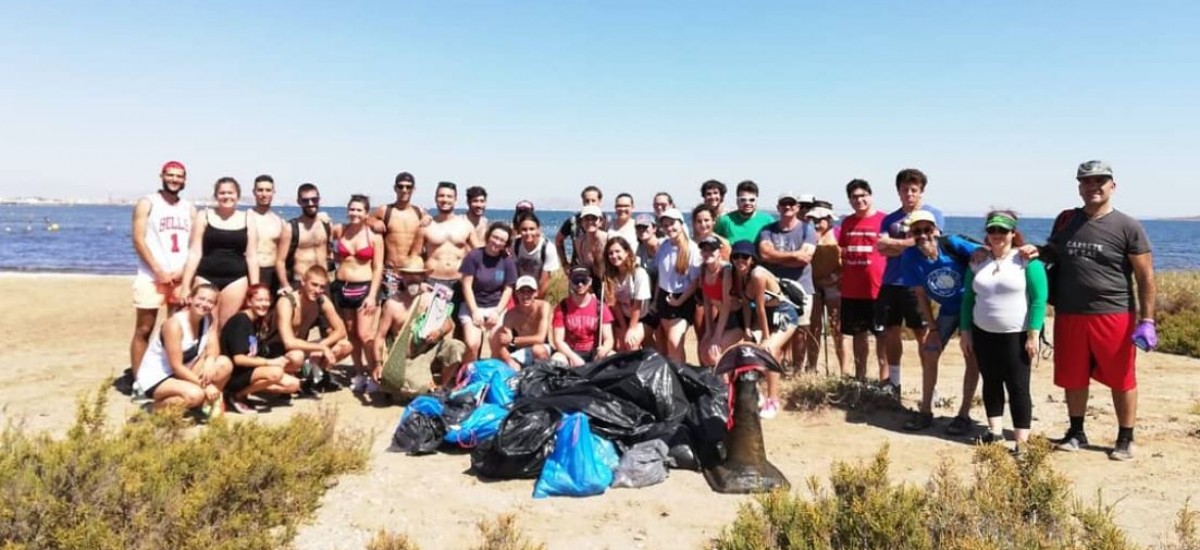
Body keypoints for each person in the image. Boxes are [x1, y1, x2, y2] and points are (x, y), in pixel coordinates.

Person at [1037, 160, 1156, 461]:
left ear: (1112, 186)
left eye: (1100, 181)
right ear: (1079, 187)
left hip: (1114, 313)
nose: (1093, 187)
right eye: (1086, 182)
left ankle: (1125, 438)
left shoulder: (1128, 226)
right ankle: (1076, 431)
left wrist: (1148, 320)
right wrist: (1033, 251)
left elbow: (1145, 276)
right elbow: (1053, 252)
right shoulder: (1066, 220)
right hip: (1070, 313)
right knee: (1073, 376)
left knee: (1122, 377)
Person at [960, 211, 1047, 454]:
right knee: (991, 381)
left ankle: (1021, 442)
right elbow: (968, 298)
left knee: (1018, 386)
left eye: (1003, 231)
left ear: (1013, 233)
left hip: (1016, 335)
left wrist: (1033, 334)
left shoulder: (1027, 260)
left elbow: (1039, 299)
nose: (997, 235)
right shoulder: (977, 261)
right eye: (992, 230)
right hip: (983, 333)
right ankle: (995, 432)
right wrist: (965, 331)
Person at [900, 210, 982, 433]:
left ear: (936, 230)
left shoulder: (952, 245)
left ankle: (963, 414)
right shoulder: (910, 258)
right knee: (929, 351)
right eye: (917, 231)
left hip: (972, 307)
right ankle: (925, 411)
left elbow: (986, 254)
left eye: (927, 229)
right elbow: (920, 295)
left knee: (971, 356)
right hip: (947, 310)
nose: (923, 235)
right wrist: (932, 328)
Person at [875, 168, 944, 394]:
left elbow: (930, 244)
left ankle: (929, 386)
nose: (909, 194)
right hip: (891, 281)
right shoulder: (890, 218)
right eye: (905, 189)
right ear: (899, 191)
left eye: (914, 190)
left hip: (917, 284)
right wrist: (910, 243)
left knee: (922, 333)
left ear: (921, 191)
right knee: (891, 331)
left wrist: (898, 244)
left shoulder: (933, 214)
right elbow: (881, 248)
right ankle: (894, 382)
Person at [129, 160, 195, 377]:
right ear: (162, 176)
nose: (175, 180)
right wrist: (158, 270)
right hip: (151, 277)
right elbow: (139, 240)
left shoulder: (189, 209)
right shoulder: (148, 203)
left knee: (175, 330)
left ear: (184, 179)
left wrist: (183, 272)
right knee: (144, 329)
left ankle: (169, 373)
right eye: (171, 175)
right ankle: (139, 378)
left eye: (179, 176)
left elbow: (195, 245)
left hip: (179, 279)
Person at [727, 240, 801, 419]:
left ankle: (773, 399)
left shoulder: (757, 275)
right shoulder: (737, 276)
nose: (740, 260)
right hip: (765, 316)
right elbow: (746, 304)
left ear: (752, 259)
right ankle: (756, 392)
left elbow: (759, 307)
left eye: (744, 256)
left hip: (783, 313)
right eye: (736, 257)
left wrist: (766, 338)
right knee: (747, 347)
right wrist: (746, 328)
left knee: (770, 350)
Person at [134, 284, 231, 416]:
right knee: (195, 395)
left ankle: (204, 406)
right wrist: (205, 385)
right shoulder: (174, 324)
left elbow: (214, 347)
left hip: (183, 371)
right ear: (190, 299)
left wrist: (210, 359)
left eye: (210, 301)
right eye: (201, 299)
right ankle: (154, 408)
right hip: (159, 377)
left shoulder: (208, 319)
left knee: (224, 363)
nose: (205, 304)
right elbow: (176, 367)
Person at [374, 257, 467, 391]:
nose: (412, 278)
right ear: (402, 277)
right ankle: (419, 382)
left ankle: (442, 387)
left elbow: (449, 323)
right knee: (416, 387)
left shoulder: (431, 299)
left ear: (423, 276)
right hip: (404, 356)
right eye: (408, 275)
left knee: (456, 346)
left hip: (429, 350)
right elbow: (380, 337)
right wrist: (378, 365)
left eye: (416, 275)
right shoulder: (392, 304)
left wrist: (439, 332)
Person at [182, 177, 259, 328]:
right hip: (206, 277)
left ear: (237, 195)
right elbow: (194, 252)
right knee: (207, 324)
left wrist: (255, 288)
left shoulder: (247, 218)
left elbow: (252, 256)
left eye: (230, 193)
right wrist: (185, 285)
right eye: (222, 193)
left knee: (227, 325)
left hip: (236, 280)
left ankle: (222, 352)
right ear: (216, 195)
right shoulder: (203, 216)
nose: (226, 196)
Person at [757, 192, 818, 375]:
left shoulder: (808, 230)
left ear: (798, 207)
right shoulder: (768, 230)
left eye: (792, 204)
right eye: (784, 203)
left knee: (800, 329)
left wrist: (777, 258)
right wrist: (793, 255)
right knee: (778, 328)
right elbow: (765, 254)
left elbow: (805, 258)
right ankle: (777, 367)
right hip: (775, 288)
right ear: (778, 207)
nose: (788, 207)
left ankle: (797, 370)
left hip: (802, 286)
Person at [220, 284, 302, 414]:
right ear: (249, 301)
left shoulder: (257, 321)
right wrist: (270, 362)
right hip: (234, 374)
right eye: (259, 300)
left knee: (293, 385)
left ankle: (247, 390)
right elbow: (239, 359)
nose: (264, 304)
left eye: (267, 300)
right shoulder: (240, 322)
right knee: (275, 372)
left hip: (250, 370)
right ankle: (236, 395)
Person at [332, 194, 385, 394]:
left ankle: (374, 373)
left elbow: (378, 267)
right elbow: (330, 245)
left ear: (366, 213)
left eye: (359, 210)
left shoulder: (374, 237)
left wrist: (372, 295)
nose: (354, 213)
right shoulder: (340, 230)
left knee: (365, 334)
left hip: (364, 287)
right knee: (351, 333)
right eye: (351, 209)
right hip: (342, 285)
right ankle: (358, 372)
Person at [276, 265, 353, 396]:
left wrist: (321, 346)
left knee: (345, 346)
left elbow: (341, 330)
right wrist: (320, 348)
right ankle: (294, 376)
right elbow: (288, 342)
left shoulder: (322, 300)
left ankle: (314, 378)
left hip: (302, 348)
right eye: (314, 285)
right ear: (303, 282)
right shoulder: (287, 302)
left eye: (322, 287)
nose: (318, 290)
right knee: (297, 357)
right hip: (280, 352)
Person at [838, 179, 888, 381]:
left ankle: (886, 381)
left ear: (870, 196)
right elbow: (843, 251)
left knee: (882, 337)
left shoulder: (884, 220)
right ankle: (860, 378)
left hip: (878, 290)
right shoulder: (847, 222)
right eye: (854, 197)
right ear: (849, 200)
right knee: (858, 336)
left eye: (863, 195)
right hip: (852, 290)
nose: (859, 200)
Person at [459, 222, 518, 363]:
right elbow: (466, 285)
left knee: (497, 343)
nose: (497, 242)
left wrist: (497, 312)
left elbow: (508, 289)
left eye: (502, 240)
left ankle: (493, 373)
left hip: (495, 306)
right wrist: (474, 311)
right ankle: (468, 375)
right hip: (473, 305)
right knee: (472, 344)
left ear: (506, 243)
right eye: (495, 237)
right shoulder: (474, 256)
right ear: (488, 236)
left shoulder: (507, 261)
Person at [368, 172, 427, 301]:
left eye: (408, 187)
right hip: (391, 273)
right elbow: (365, 219)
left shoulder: (419, 212)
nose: (404, 190)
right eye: (400, 187)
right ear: (395, 188)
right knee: (389, 310)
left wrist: (430, 219)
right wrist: (373, 222)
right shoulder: (385, 210)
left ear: (414, 189)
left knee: (411, 313)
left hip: (413, 274)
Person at [654, 208, 701, 363]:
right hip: (663, 297)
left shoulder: (692, 248)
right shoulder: (664, 246)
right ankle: (678, 376)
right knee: (671, 345)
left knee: (674, 340)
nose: (669, 228)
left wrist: (679, 301)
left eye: (672, 223)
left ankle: (681, 378)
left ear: (681, 224)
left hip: (683, 299)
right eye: (665, 225)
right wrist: (655, 301)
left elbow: (695, 281)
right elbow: (661, 277)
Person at [806, 205, 845, 374]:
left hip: (834, 285)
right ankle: (812, 366)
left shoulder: (838, 234)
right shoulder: (809, 236)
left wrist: (833, 278)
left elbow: (844, 260)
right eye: (813, 219)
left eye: (820, 219)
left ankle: (844, 369)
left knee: (837, 326)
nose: (816, 223)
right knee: (813, 327)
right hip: (813, 284)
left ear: (828, 219)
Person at [423, 182, 480, 295]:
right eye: (441, 196)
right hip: (431, 281)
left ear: (455, 199)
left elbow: (480, 254)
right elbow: (415, 256)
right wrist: (419, 282)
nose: (445, 199)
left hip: (459, 282)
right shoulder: (426, 226)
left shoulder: (466, 225)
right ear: (435, 198)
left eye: (449, 196)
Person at [551, 267, 615, 366]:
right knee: (557, 359)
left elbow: (609, 339)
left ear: (590, 282)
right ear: (570, 282)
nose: (580, 284)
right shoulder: (562, 307)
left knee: (612, 356)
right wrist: (572, 357)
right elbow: (558, 340)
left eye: (584, 281)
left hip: (594, 352)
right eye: (576, 281)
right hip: (571, 352)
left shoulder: (600, 306)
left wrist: (604, 350)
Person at [278, 183, 333, 294]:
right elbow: (280, 261)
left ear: (319, 200)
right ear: (299, 202)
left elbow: (330, 252)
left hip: (323, 283)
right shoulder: (291, 228)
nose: (310, 203)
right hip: (300, 282)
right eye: (305, 200)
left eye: (314, 199)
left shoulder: (326, 225)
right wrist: (285, 285)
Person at [696, 236, 742, 367]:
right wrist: (709, 331)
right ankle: (716, 384)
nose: (708, 253)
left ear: (720, 252)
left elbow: (727, 306)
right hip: (721, 318)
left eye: (712, 250)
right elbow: (707, 303)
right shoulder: (703, 270)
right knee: (704, 349)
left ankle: (726, 386)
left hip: (736, 319)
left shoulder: (725, 271)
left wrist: (716, 336)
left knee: (714, 352)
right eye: (704, 250)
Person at [490, 275, 552, 370]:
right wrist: (509, 360)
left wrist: (513, 340)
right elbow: (503, 343)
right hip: (521, 352)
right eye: (522, 292)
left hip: (542, 349)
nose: (526, 296)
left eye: (529, 292)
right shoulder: (510, 315)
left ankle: (543, 377)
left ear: (536, 293)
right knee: (495, 335)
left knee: (538, 350)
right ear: (516, 293)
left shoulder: (544, 307)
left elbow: (540, 338)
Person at [602, 236, 653, 352]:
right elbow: (615, 305)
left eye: (617, 251)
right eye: (610, 253)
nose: (614, 256)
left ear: (627, 252)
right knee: (620, 347)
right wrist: (624, 328)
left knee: (631, 342)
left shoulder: (638, 274)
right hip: (624, 317)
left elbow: (638, 304)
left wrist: (631, 329)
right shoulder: (610, 276)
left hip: (643, 316)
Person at [247, 175, 287, 297]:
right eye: (260, 190)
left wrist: (320, 216)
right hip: (249, 271)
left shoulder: (280, 222)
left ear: (273, 192)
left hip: (272, 274)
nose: (264, 194)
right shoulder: (246, 217)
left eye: (268, 190)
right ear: (254, 192)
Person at [511, 211, 560, 300]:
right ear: (519, 231)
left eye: (532, 229)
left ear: (538, 230)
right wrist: (517, 296)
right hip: (520, 288)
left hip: (538, 290)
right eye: (524, 229)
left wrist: (535, 300)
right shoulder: (515, 245)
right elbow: (514, 273)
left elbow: (545, 281)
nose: (528, 233)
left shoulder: (547, 248)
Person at [556, 185, 606, 267]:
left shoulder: (606, 220)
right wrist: (564, 263)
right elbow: (558, 240)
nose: (590, 204)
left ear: (599, 201)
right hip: (579, 271)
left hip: (603, 270)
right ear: (582, 201)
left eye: (593, 200)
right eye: (587, 201)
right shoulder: (573, 221)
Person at [715, 180, 774, 245]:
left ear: (756, 201)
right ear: (737, 201)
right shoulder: (725, 221)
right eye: (743, 200)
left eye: (752, 200)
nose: (747, 203)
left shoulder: (768, 221)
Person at [571, 205, 609, 287]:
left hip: (610, 284)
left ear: (600, 221)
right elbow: (584, 269)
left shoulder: (609, 239)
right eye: (586, 219)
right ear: (581, 222)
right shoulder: (579, 242)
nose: (590, 222)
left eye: (594, 218)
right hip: (591, 284)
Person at [634, 213, 660, 285]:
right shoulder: (641, 247)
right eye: (638, 227)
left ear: (654, 228)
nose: (642, 230)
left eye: (645, 227)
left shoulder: (663, 246)